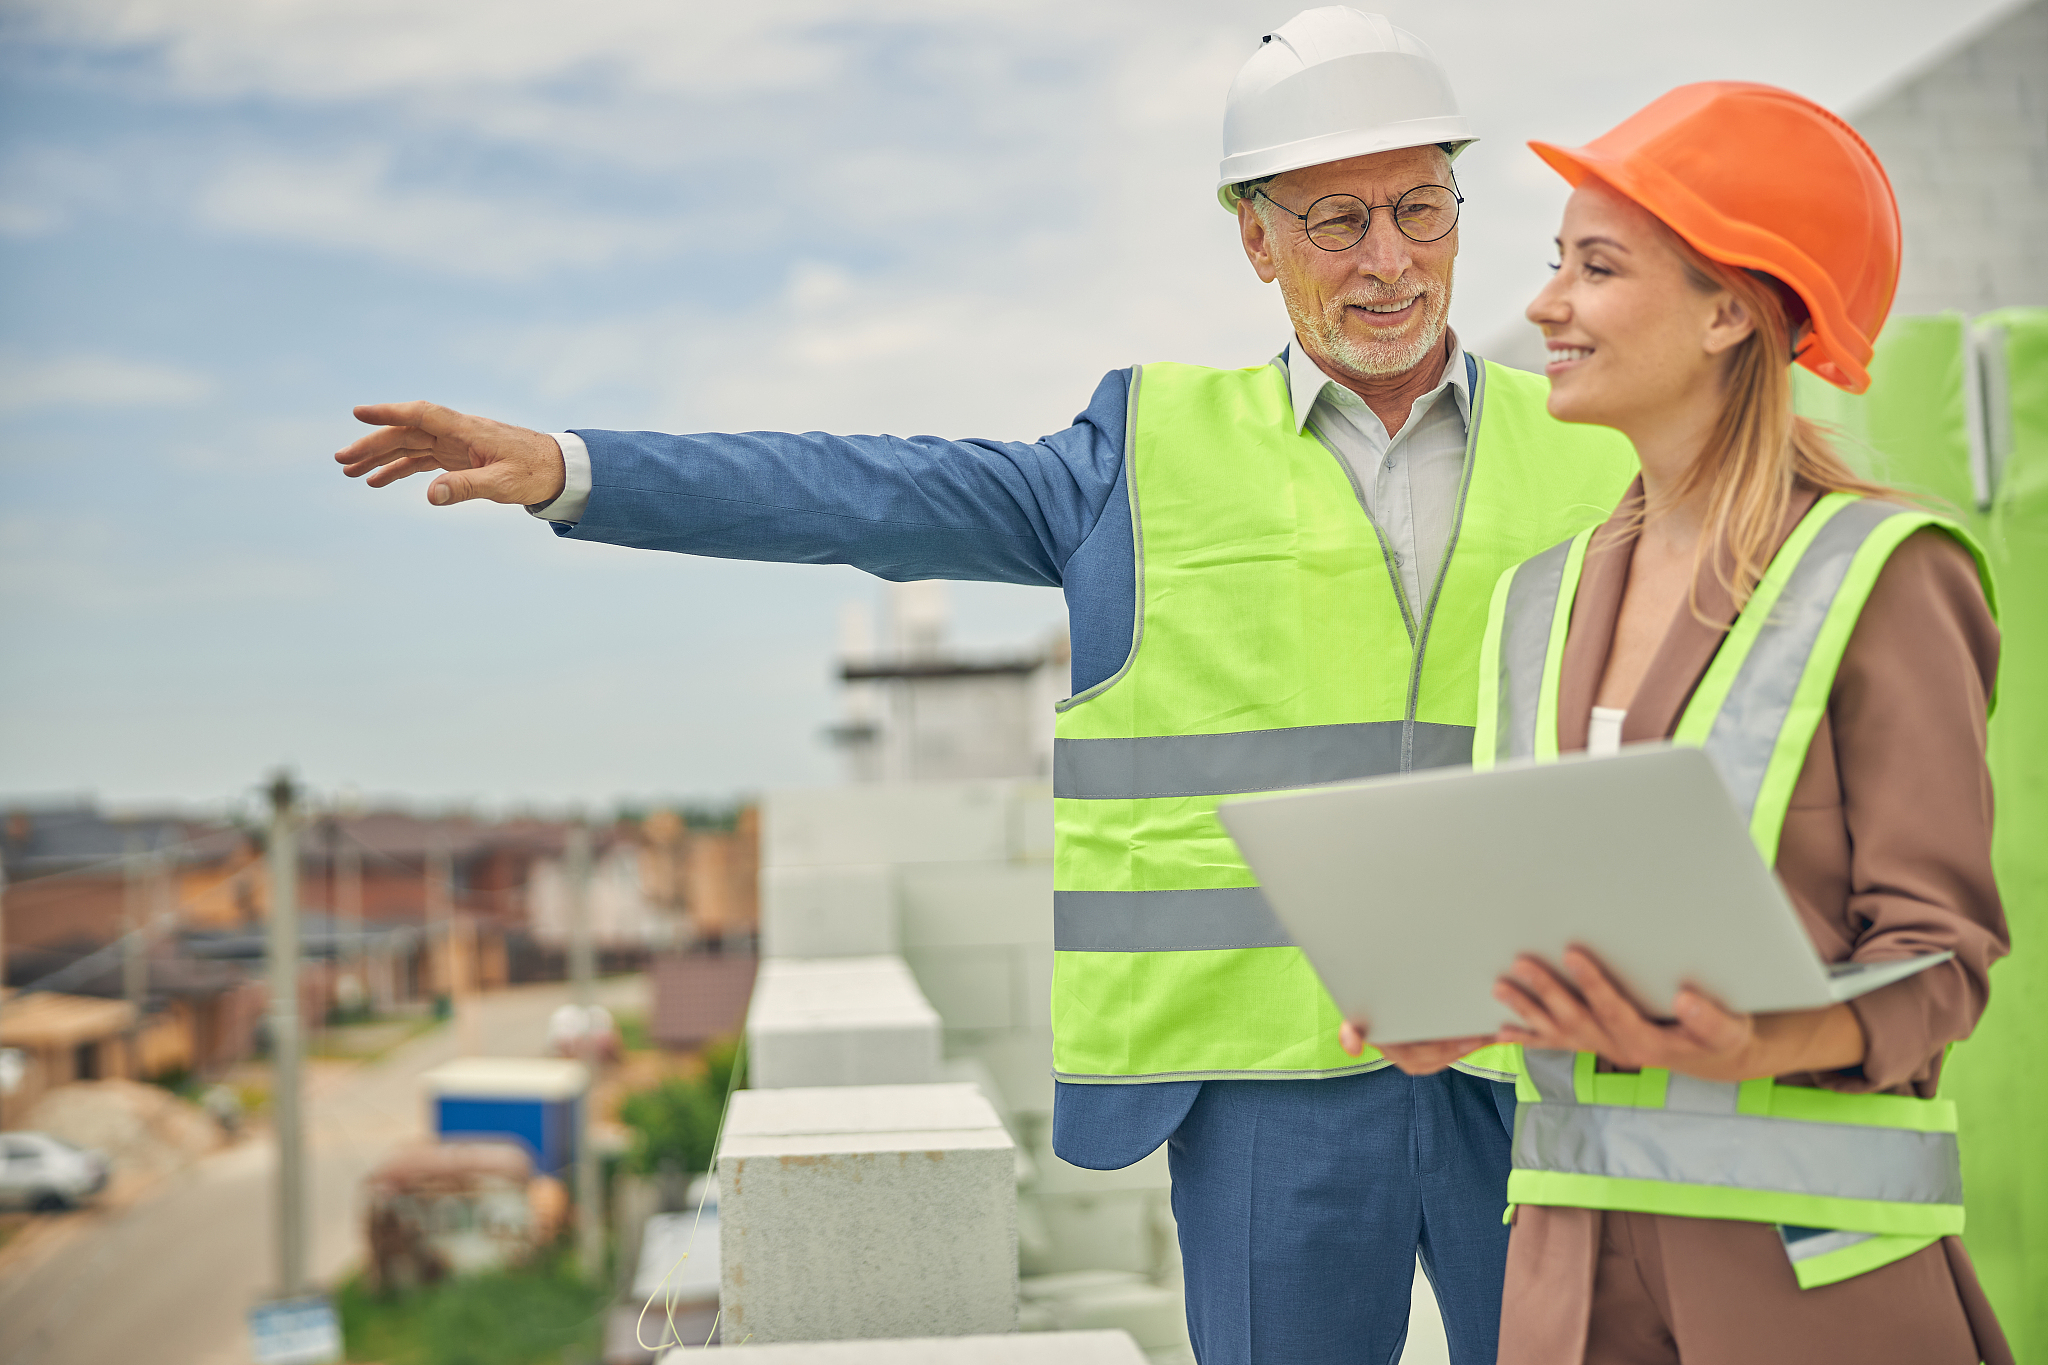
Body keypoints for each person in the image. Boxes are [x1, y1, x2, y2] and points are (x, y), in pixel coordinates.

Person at [334, 10, 1638, 1361]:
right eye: (1336, 220)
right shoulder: (1145, 454)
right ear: (1256, 238)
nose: (1388, 260)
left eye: (1419, 208)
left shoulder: (1598, 444)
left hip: (1539, 1054)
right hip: (1269, 1084)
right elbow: (864, 492)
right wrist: (576, 469)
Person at [1346, 83, 2013, 1364]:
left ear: (1726, 310)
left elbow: (1939, 961)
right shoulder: (1537, 601)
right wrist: (1471, 997)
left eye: (1595, 268)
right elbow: (1559, 919)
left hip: (1804, 1277)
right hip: (1565, 1272)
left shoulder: (1883, 573)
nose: (1545, 304)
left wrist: (1757, 1038)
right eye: (1555, 261)